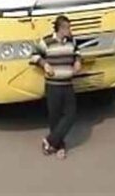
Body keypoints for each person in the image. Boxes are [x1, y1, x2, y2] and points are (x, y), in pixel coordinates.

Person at [30, 15, 81, 160]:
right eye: (68, 28)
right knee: (55, 118)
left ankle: (49, 141)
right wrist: (45, 64)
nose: (70, 31)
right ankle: (59, 146)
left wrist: (77, 61)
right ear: (61, 29)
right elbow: (34, 56)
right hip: (53, 86)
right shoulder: (47, 42)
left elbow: (77, 53)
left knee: (71, 115)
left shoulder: (71, 41)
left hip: (68, 84)